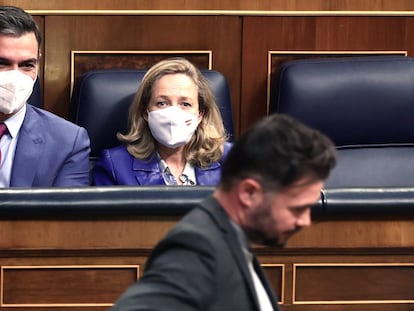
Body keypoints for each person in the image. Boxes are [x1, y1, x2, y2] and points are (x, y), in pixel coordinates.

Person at [109, 113, 337, 311]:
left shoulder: (231, 238)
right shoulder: (196, 248)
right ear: (248, 193)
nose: (305, 221)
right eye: (297, 208)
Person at [92, 58, 232, 186]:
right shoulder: (114, 166)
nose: (173, 114)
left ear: (200, 114)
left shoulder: (233, 161)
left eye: (185, 104)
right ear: (145, 112)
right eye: (162, 103)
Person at [0, 6, 91, 187]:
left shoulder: (68, 141)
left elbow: (65, 213)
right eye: (2, 63)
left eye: (27, 65)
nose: (15, 76)